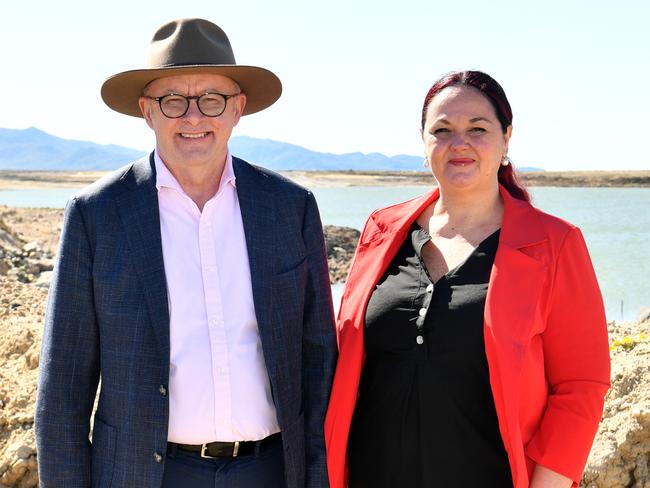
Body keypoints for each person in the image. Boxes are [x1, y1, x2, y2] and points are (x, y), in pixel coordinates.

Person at [35, 18, 337, 488]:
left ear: (237, 109)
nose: (193, 117)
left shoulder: (290, 208)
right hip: (143, 475)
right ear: (146, 111)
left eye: (211, 100)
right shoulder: (96, 215)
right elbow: (63, 391)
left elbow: (320, 366)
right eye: (172, 100)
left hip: (271, 471)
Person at [324, 71, 610, 488]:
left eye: (478, 129)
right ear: (423, 142)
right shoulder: (381, 229)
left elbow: (581, 386)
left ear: (506, 138)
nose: (460, 143)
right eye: (442, 130)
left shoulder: (555, 243)